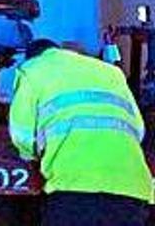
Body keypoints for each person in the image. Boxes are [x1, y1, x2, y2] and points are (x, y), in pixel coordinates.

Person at [10, 39, 153, 226]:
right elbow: (139, 130)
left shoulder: (31, 70)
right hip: (134, 191)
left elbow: (23, 135)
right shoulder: (111, 73)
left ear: (32, 57)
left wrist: (31, 158)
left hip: (74, 188)